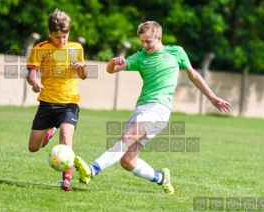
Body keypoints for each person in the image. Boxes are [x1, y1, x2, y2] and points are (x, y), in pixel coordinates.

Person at [74, 21, 232, 194]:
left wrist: (213, 97)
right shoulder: (140, 57)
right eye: (142, 41)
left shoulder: (175, 52)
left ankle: (92, 169)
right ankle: (161, 178)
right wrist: (113, 62)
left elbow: (193, 75)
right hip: (141, 108)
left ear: (159, 38)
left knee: (127, 137)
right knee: (127, 161)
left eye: (148, 41)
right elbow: (111, 70)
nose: (145, 45)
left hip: (159, 110)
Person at [26, 9, 87, 191]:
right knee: (33, 147)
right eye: (58, 37)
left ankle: (66, 180)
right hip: (47, 103)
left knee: (66, 137)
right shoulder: (40, 49)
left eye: (65, 37)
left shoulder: (76, 48)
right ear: (49, 33)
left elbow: (84, 75)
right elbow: (31, 73)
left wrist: (81, 67)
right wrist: (35, 82)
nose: (62, 41)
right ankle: (49, 130)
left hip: (69, 103)